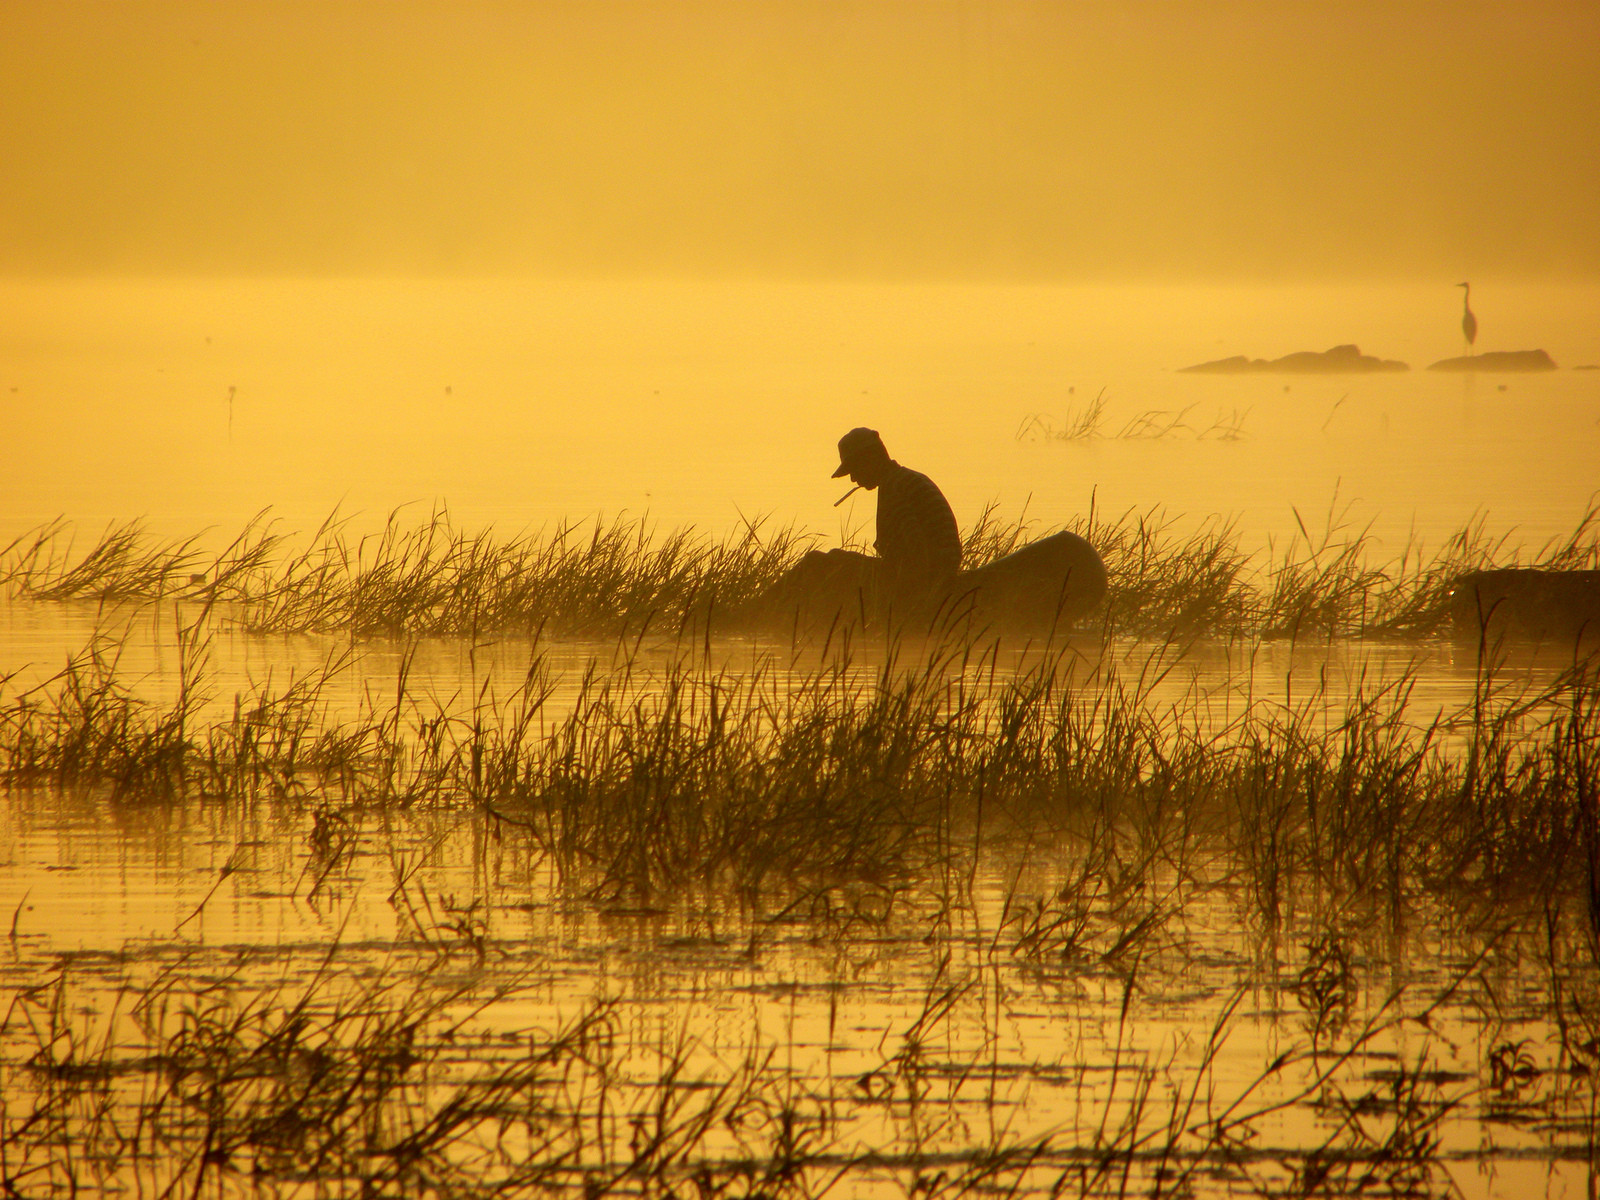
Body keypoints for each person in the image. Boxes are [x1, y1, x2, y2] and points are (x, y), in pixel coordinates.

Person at [830, 427, 962, 602]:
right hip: (939, 570)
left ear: (871, 459)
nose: (853, 478)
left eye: (854, 469)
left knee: (832, 562)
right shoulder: (904, 479)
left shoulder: (894, 488)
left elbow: (917, 553)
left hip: (933, 576)